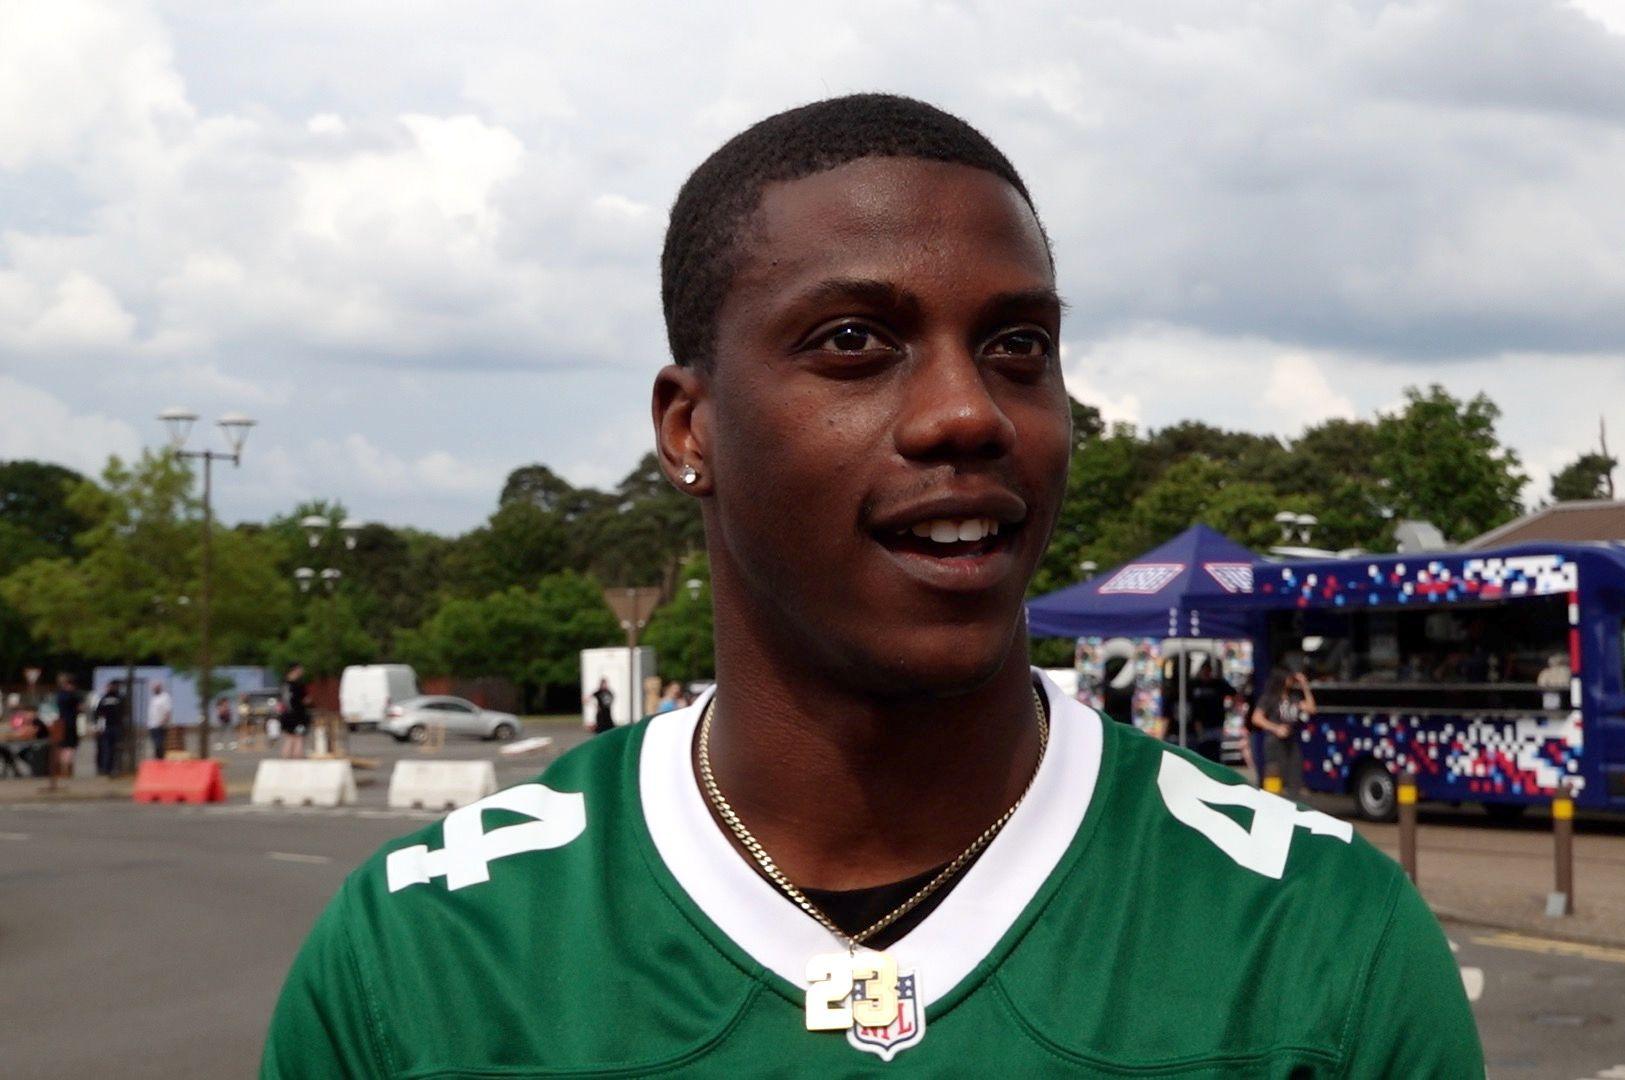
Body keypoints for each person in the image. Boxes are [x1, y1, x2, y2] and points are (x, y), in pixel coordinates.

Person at [264, 94, 1481, 1077]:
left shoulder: (1320, 943)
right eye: (854, 341)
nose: (967, 411)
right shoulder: (426, 954)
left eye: (1019, 347)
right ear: (690, 429)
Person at [1251, 668, 1316, 796]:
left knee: (1293, 776)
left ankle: (1292, 798)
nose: (1291, 680)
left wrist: (1304, 685)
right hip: (1274, 743)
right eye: (1289, 678)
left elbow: (1311, 708)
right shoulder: (1270, 698)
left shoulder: (1293, 698)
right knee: (1274, 777)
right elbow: (1256, 718)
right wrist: (1276, 728)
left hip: (1291, 743)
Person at [94, 679, 126, 777]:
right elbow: (98, 713)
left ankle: (115, 768)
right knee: (106, 749)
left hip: (117, 726)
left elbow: (124, 712)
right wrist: (98, 726)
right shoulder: (103, 699)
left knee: (117, 749)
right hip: (107, 727)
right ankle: (106, 768)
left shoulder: (120, 698)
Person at [52, 673, 81, 778]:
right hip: (70, 724)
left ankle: (61, 769)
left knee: (62, 747)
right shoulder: (72, 697)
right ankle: (67, 769)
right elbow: (79, 708)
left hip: (61, 723)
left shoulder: (59, 695)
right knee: (69, 747)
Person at [281, 664, 309, 759]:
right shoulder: (298, 685)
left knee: (289, 739)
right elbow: (304, 700)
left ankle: (285, 763)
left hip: (285, 715)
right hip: (298, 716)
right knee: (299, 739)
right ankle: (297, 762)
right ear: (295, 670)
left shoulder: (284, 684)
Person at [147, 681, 173, 762]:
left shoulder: (165, 697)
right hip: (152, 724)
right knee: (155, 744)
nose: (154, 689)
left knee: (159, 744)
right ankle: (157, 759)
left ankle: (160, 760)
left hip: (160, 725)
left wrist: (164, 721)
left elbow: (167, 711)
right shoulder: (153, 698)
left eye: (156, 687)